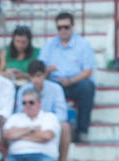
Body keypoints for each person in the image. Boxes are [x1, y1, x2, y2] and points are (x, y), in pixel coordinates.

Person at [39, 11, 95, 143]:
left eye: (66, 27)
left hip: (75, 82)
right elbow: (39, 69)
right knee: (42, 87)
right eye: (59, 27)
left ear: (72, 27)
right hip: (54, 82)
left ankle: (82, 130)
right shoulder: (49, 45)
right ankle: (47, 128)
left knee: (88, 86)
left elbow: (87, 71)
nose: (63, 30)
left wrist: (70, 81)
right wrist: (48, 70)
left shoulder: (83, 44)